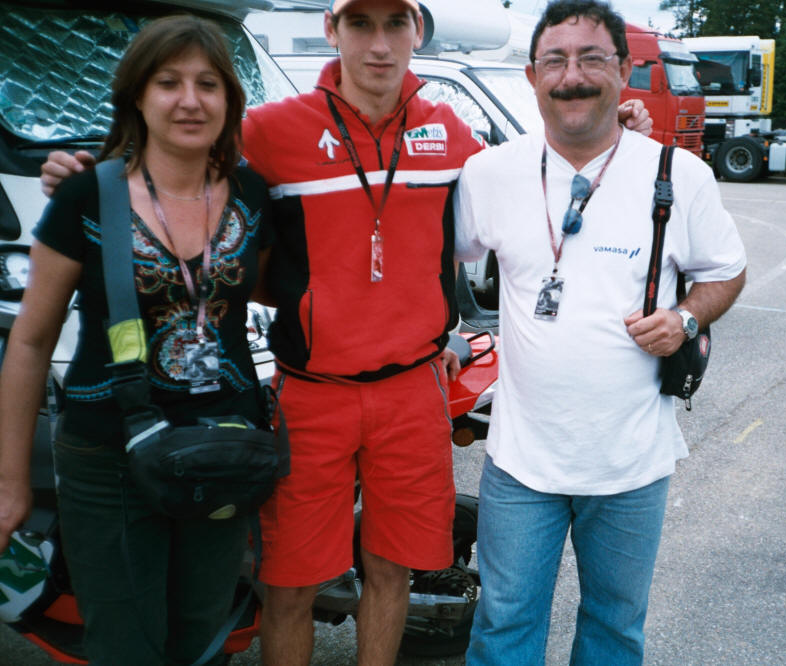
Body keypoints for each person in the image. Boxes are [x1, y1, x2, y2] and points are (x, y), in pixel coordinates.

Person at [39, 2, 653, 663]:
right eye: (361, 23)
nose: (379, 43)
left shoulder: (448, 132)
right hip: (312, 392)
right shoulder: (272, 130)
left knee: (391, 571)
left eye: (396, 24)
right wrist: (94, 176)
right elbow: (178, 153)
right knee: (290, 584)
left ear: (418, 31)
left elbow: (536, 175)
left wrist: (614, 133)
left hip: (411, 393)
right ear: (332, 30)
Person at [452, 1, 747, 664]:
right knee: (503, 626)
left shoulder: (677, 174)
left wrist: (686, 318)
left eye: (592, 59)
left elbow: (726, 271)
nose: (572, 76)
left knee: (614, 628)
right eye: (555, 61)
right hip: (520, 462)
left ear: (624, 70)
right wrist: (440, 333)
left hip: (631, 464)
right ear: (532, 76)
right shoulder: (489, 173)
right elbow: (435, 255)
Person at [0, 15, 274, 665]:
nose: (190, 100)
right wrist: (10, 484)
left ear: (229, 101)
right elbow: (31, 342)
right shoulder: (87, 194)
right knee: (125, 645)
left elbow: (277, 288)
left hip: (223, 451)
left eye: (208, 83)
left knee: (201, 640)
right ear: (137, 97)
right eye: (168, 82)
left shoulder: (252, 195)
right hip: (108, 456)